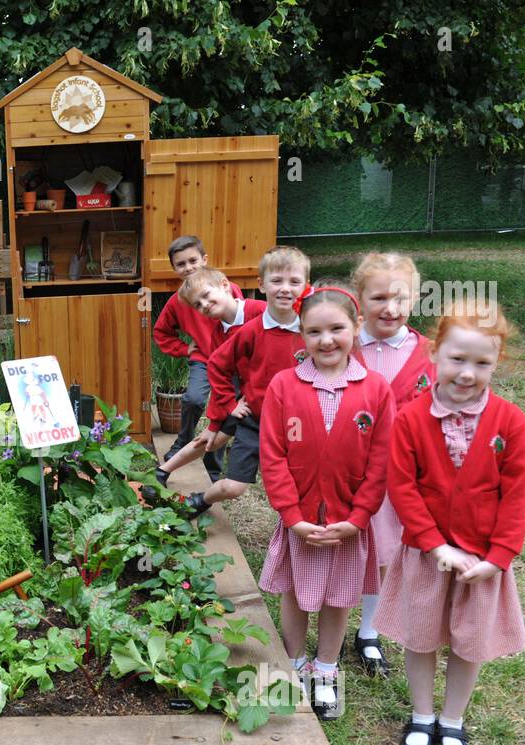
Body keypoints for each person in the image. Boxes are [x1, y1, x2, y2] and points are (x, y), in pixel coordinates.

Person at [375, 301, 525, 745]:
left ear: (497, 362)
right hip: (428, 554)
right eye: (457, 359)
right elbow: (402, 488)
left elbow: (516, 495)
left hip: (482, 561)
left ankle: (453, 721)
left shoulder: (511, 423)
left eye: (482, 363)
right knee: (421, 637)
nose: (467, 373)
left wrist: (499, 555)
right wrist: (434, 544)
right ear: (434, 354)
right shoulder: (410, 419)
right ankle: (422, 716)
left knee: (469, 642)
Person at [257, 285, 395, 720]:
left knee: (339, 598)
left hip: (347, 525)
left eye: (337, 328)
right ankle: (292, 664)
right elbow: (273, 454)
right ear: (301, 335)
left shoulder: (375, 390)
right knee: (295, 593)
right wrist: (292, 516)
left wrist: (358, 518)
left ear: (356, 328)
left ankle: (327, 670)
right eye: (314, 331)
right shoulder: (284, 386)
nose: (326, 340)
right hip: (302, 522)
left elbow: (381, 459)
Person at [158, 245, 310, 517]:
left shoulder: (261, 313)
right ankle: (164, 472)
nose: (204, 306)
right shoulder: (228, 331)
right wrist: (226, 408)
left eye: (206, 297)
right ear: (262, 284)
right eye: (198, 304)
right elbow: (219, 368)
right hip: (250, 399)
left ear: (226, 286)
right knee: (213, 435)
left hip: (268, 400)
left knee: (220, 438)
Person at [349, 252, 436, 676]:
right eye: (379, 297)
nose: (390, 308)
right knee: (342, 549)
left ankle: (368, 631)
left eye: (400, 298)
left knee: (384, 553)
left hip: (399, 476)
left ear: (414, 299)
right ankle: (323, 625)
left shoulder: (430, 355)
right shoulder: (341, 342)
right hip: (346, 470)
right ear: (359, 299)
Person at [151, 237, 244, 481]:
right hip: (203, 358)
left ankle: (212, 466)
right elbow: (161, 332)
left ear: (204, 259)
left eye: (193, 260)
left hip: (232, 363)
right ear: (174, 269)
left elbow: (241, 323)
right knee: (192, 399)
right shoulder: (178, 301)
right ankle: (184, 438)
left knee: (224, 412)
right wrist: (185, 349)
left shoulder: (227, 288)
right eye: (181, 264)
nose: (188, 267)